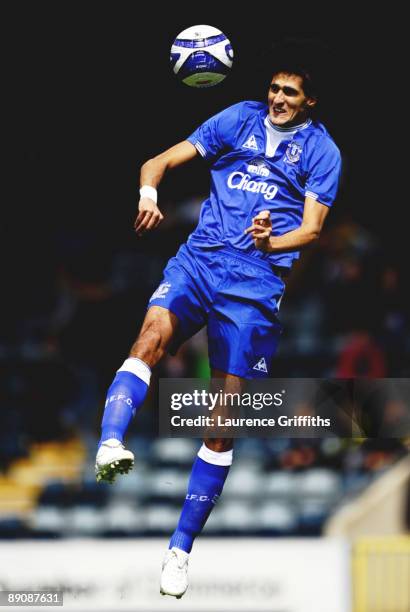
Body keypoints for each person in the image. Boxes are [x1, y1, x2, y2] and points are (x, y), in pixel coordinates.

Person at [95, 55, 342, 598]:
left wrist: (269, 242)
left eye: (291, 94)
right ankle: (111, 443)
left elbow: (312, 230)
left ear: (310, 102)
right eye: (275, 89)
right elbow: (155, 162)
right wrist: (148, 196)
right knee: (148, 339)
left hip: (254, 284)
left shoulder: (323, 152)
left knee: (222, 418)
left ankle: (180, 548)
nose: (278, 99)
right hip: (199, 261)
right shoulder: (237, 118)